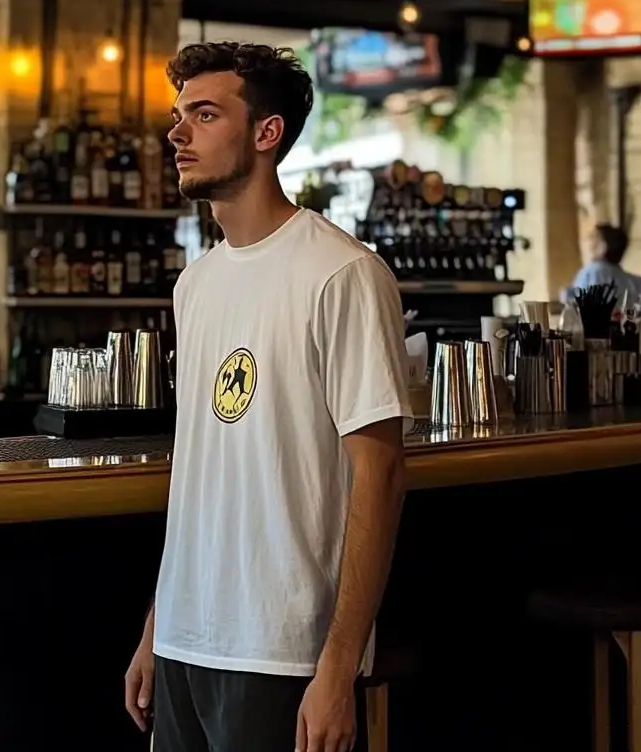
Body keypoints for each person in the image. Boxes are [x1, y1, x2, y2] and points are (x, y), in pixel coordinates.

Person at [125, 43, 408, 752]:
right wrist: (159, 625)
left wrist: (339, 664)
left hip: (281, 648)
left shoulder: (341, 273)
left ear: (266, 133)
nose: (177, 133)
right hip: (188, 640)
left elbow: (381, 474)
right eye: (178, 115)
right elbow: (201, 472)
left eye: (205, 113)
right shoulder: (195, 285)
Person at [559, 222, 641, 313]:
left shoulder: (592, 272)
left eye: (592, 238)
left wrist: (567, 295)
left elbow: (578, 310)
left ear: (603, 247)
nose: (588, 244)